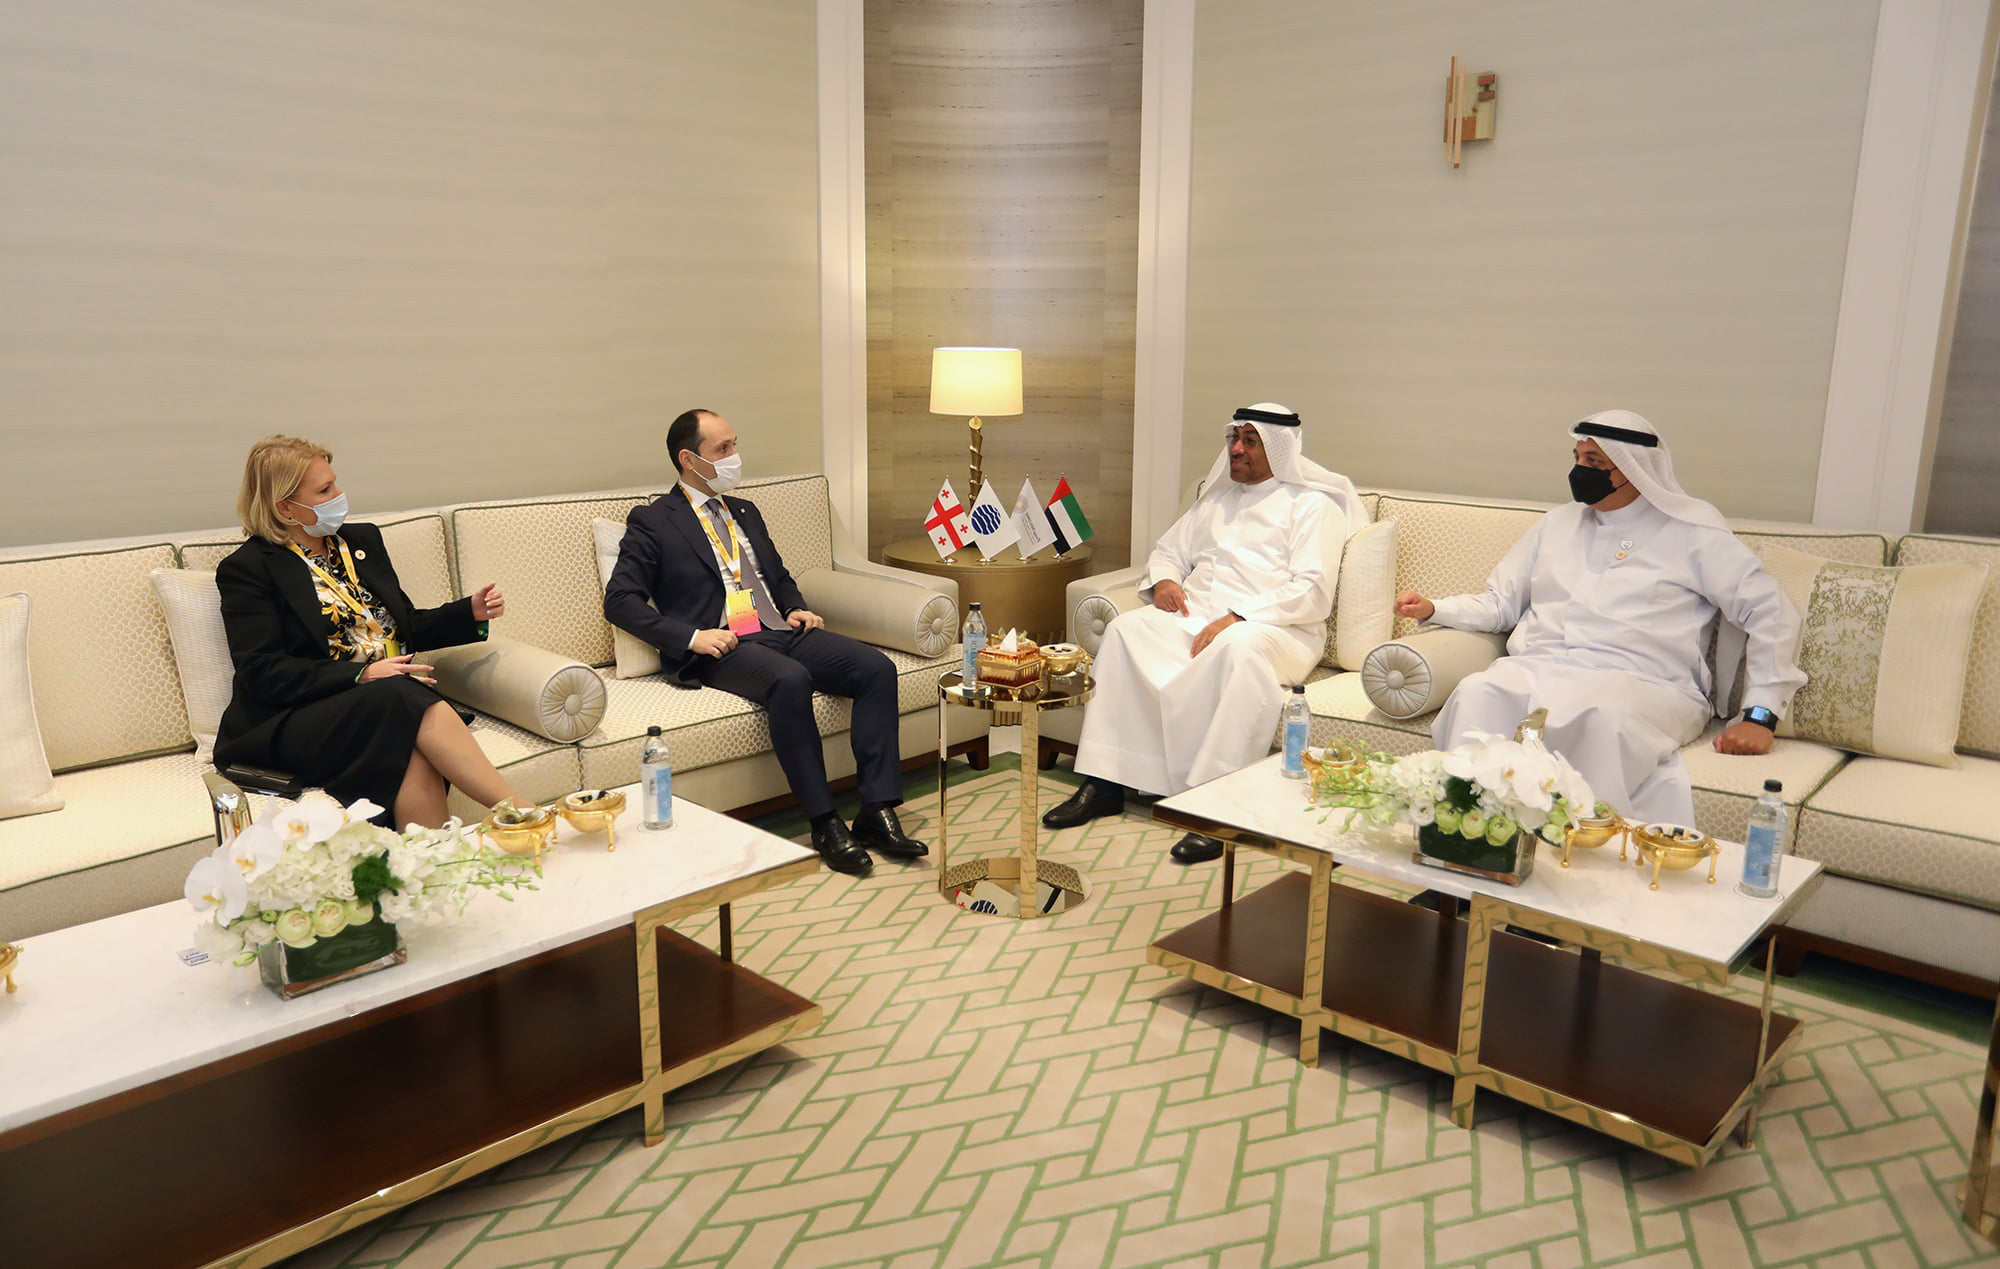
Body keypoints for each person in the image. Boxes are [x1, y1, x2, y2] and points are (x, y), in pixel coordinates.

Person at [1395, 409, 1804, 826]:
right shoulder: (1556, 524)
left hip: (1648, 683)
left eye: (1594, 462)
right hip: (1543, 668)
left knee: (1603, 717)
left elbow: (1769, 611)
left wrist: (1760, 715)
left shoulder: (1692, 531)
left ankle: (1583, 851)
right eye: (1577, 458)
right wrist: (1436, 608)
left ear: (1635, 469)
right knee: (1477, 692)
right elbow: (1502, 602)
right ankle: (1459, 839)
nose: (1580, 470)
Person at [603, 408, 922, 876]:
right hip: (724, 646)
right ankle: (825, 822)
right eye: (723, 449)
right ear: (689, 459)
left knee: (876, 668)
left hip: (777, 629)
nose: (735, 456)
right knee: (790, 680)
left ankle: (877, 809)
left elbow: (776, 574)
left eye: (735, 444)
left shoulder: (744, 511)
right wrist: (692, 638)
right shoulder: (654, 520)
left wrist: (794, 606)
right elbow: (620, 601)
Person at [1042, 403, 1363, 863]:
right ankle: (1105, 781)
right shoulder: (1215, 501)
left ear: (1279, 448)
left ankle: (1216, 805)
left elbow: (1311, 593)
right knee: (1126, 630)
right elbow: (1168, 551)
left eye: (1250, 441)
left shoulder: (1312, 507)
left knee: (1237, 647)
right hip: (1199, 620)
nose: (1236, 449)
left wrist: (1237, 617)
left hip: (1278, 629)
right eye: (1234, 438)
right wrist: (1165, 580)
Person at [214, 436, 523, 830]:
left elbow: (399, 626)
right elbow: (262, 671)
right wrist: (362, 674)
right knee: (398, 696)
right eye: (325, 490)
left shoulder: (361, 541)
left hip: (383, 703)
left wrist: (468, 613)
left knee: (407, 741)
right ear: (285, 508)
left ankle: (433, 856)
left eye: (335, 483)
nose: (339, 496)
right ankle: (519, 811)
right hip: (298, 716)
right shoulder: (249, 569)